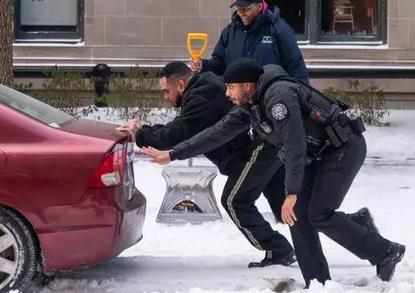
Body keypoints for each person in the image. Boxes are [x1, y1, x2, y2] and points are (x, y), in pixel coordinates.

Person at [141, 59, 405, 288]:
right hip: (321, 152)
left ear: (247, 86)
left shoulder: (278, 98)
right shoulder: (251, 106)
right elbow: (215, 133)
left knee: (318, 214)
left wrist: (291, 192)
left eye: (231, 88)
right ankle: (317, 284)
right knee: (298, 217)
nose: (227, 94)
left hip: (343, 148)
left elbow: (294, 144)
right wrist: (173, 154)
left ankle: (385, 252)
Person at [117, 61, 296, 268]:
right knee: (288, 206)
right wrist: (144, 131)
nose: (165, 97)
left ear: (181, 85)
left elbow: (178, 133)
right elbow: (182, 126)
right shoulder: (202, 88)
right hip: (260, 148)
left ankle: (281, 250)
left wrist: (139, 135)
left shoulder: (201, 97)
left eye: (167, 91)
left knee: (235, 200)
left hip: (256, 151)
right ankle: (313, 239)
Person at [190, 0, 309, 84]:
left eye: (246, 9)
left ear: (259, 7)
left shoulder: (280, 30)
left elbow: (295, 66)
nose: (241, 13)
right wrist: (203, 65)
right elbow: (220, 64)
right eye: (239, 9)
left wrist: (301, 97)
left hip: (269, 98)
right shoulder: (230, 32)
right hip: (236, 101)